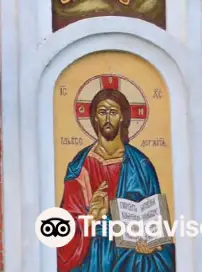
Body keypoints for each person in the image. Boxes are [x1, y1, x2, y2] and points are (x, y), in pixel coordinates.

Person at [57, 88, 175, 271]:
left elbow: (156, 222)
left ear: (122, 117)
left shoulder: (141, 165)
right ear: (95, 117)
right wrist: (90, 217)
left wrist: (152, 244)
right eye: (102, 112)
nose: (107, 118)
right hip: (93, 255)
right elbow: (65, 224)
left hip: (130, 256)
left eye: (113, 112)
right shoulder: (80, 166)